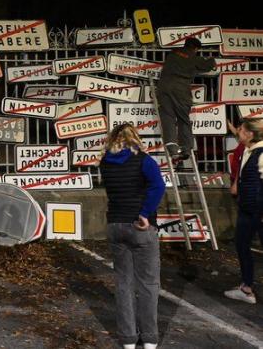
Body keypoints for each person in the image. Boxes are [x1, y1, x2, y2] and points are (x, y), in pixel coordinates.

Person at [100, 123, 166, 349]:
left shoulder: (105, 162)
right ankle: (149, 339)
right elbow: (158, 186)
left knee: (123, 283)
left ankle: (128, 339)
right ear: (135, 138)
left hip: (115, 224)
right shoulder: (144, 160)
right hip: (140, 226)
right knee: (148, 284)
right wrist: (145, 213)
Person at [156, 37, 216, 160]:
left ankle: (172, 147)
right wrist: (211, 59)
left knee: (167, 116)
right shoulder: (194, 57)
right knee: (183, 118)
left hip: (163, 87)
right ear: (195, 48)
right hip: (180, 89)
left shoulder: (172, 54)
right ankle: (185, 148)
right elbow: (209, 65)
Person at [225, 118, 263, 304]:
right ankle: (246, 288)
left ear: (249, 134)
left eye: (240, 130)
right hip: (248, 208)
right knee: (241, 245)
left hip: (257, 210)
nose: (238, 133)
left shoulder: (261, 153)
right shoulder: (248, 150)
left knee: (243, 245)